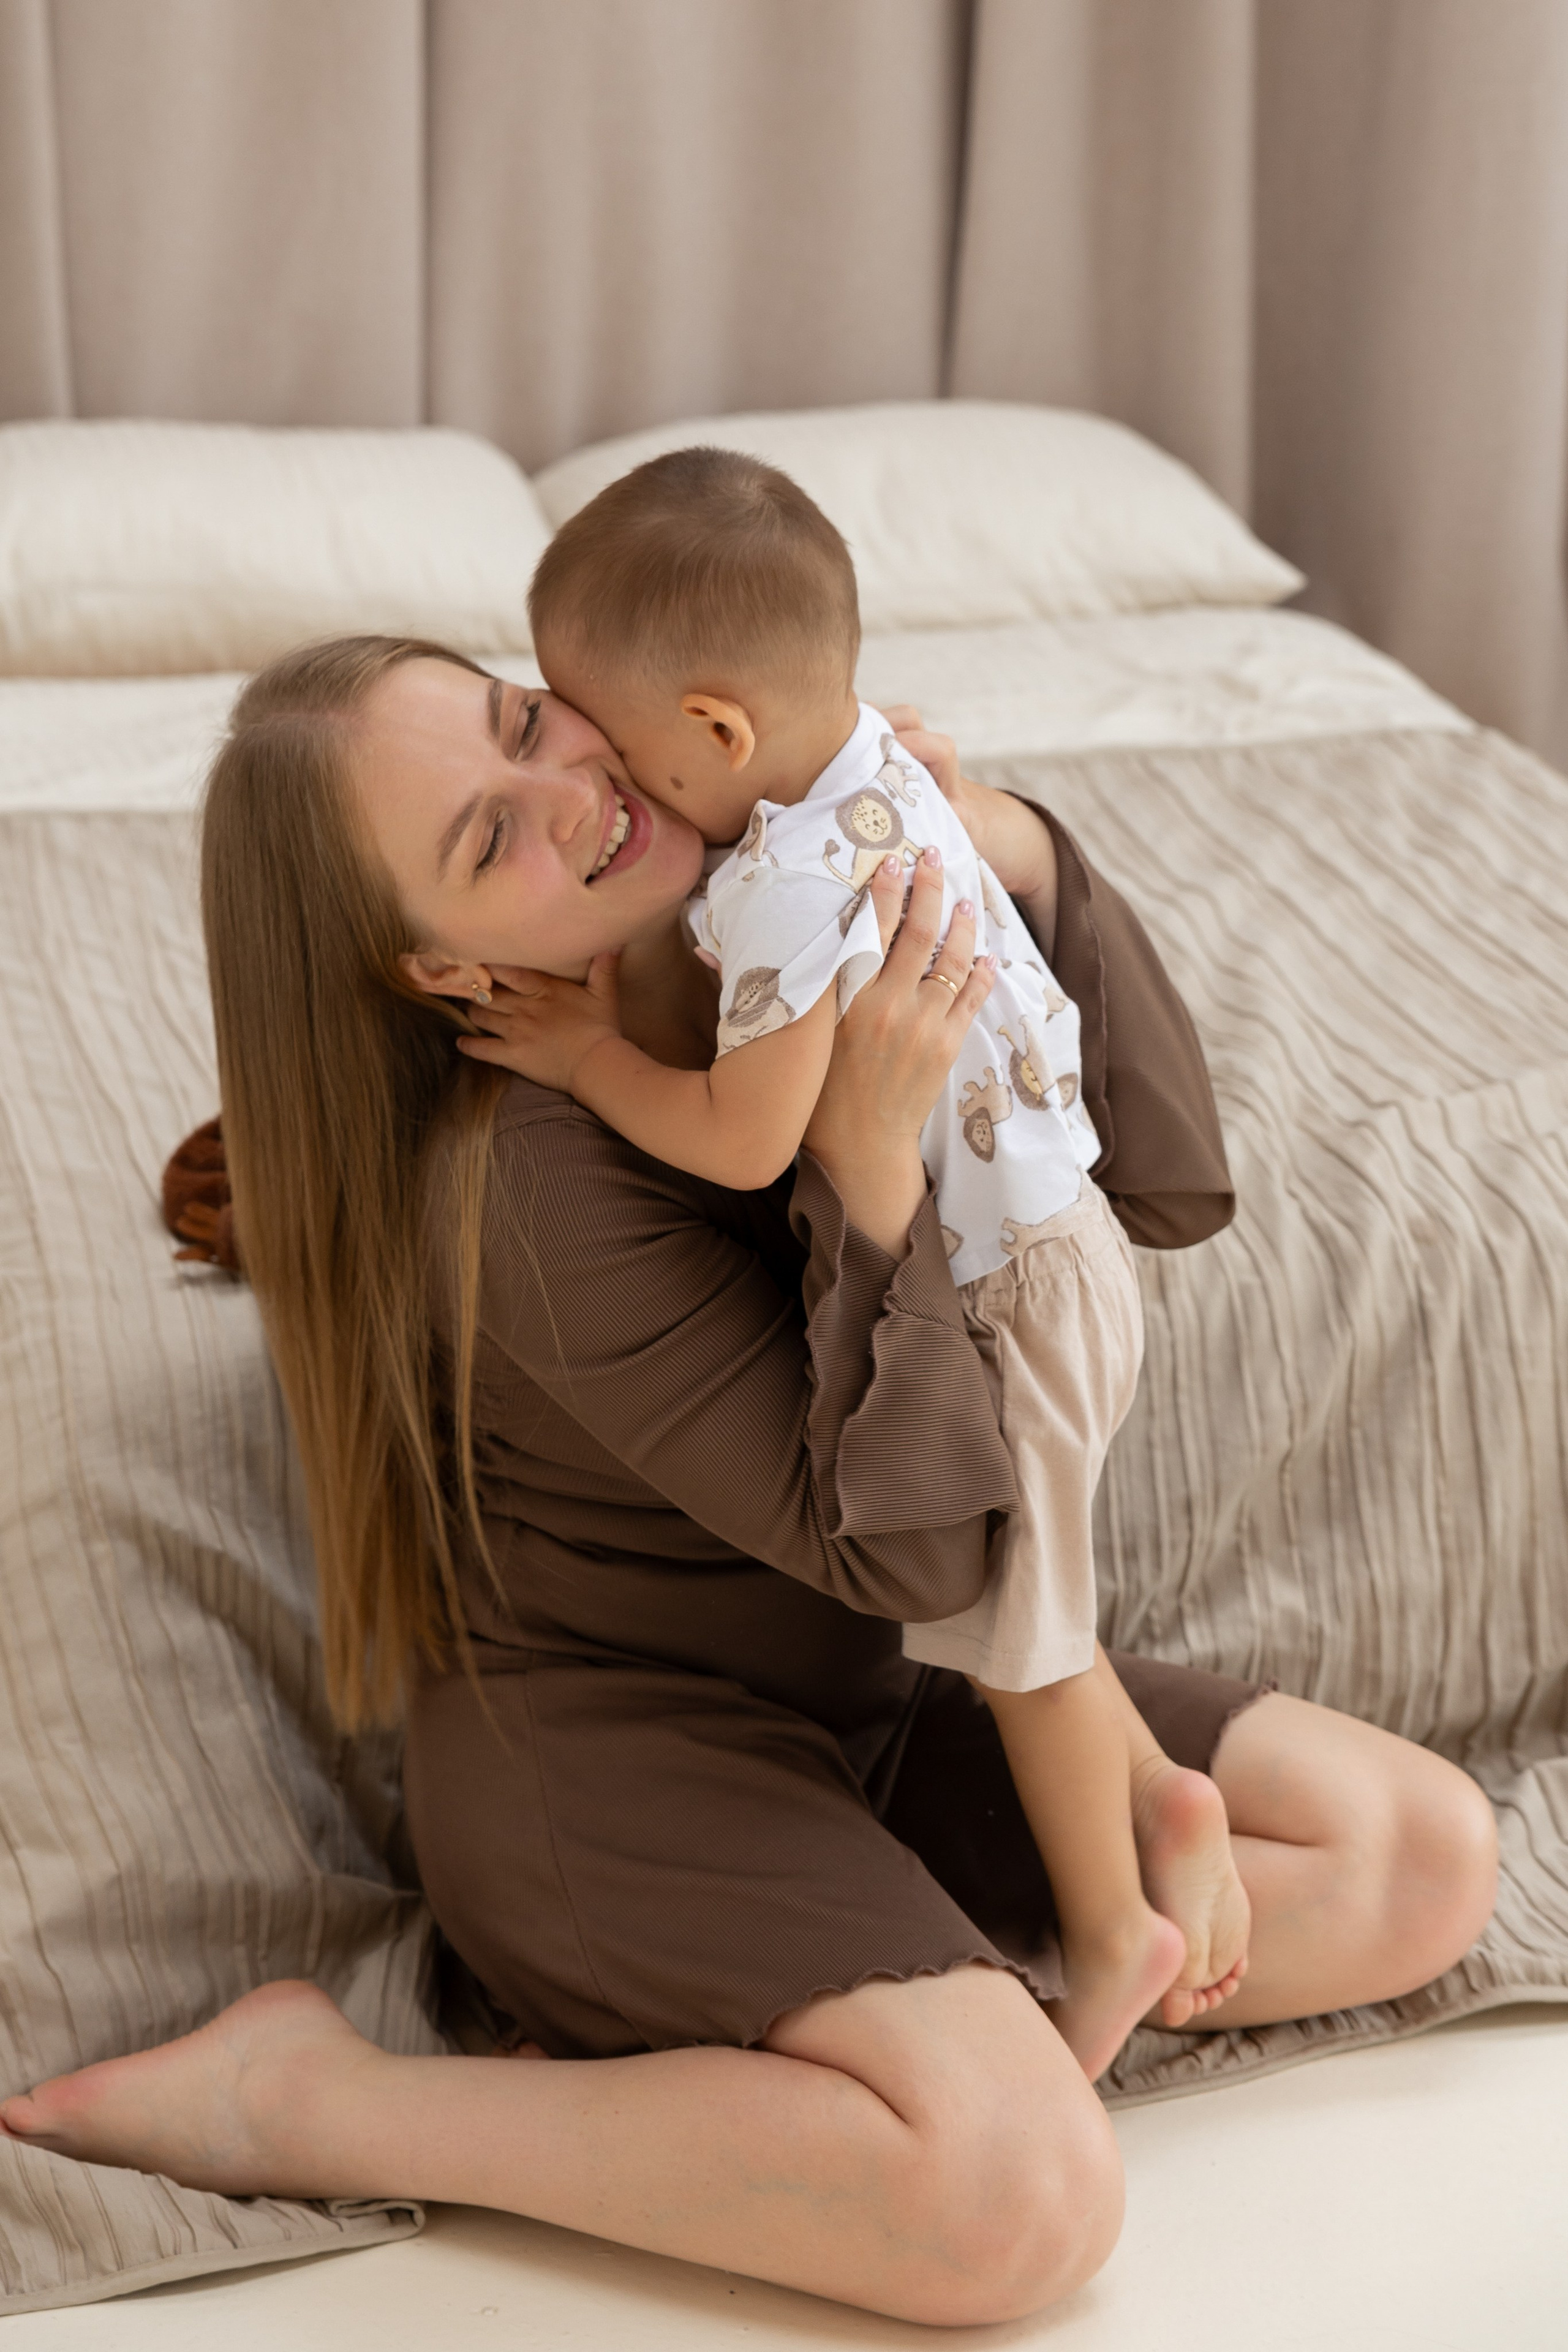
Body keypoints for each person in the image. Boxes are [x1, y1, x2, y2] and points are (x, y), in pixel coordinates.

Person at [0, 635, 1498, 2328]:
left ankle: (821, 2059)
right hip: (623, 1773)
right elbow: (923, 1549)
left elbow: (1157, 1181)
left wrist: (998, 840)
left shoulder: (765, 928)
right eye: (490, 838)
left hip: (870, 1711)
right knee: (1019, 2207)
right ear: (438, 969)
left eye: (523, 720)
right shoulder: (529, 1192)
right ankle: (310, 2096)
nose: (579, 794)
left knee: (1418, 1856)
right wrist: (864, 1174)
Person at [459, 446, 1246, 2077]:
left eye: (588, 725)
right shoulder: (882, 765)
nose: (607, 774)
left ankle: (1114, 1935)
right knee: (1039, 1579)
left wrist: (587, 1061)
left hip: (1012, 1285)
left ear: (720, 733)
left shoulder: (776, 898)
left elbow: (748, 1142)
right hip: (1062, 1244)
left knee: (1011, 1634)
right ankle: (1161, 1790)